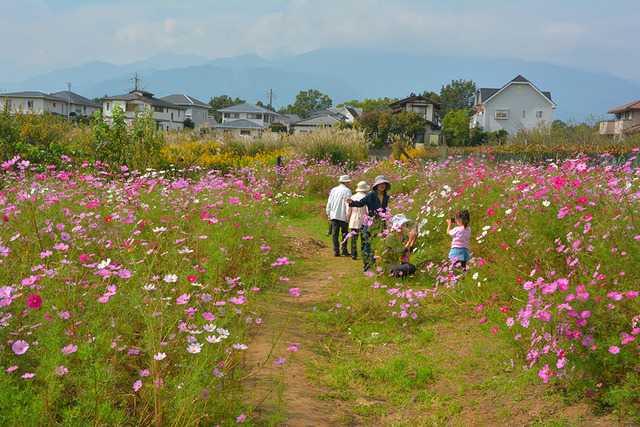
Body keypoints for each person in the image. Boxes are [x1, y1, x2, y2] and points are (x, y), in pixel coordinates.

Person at [345, 175, 390, 272]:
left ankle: (374, 265)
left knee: (378, 245)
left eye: (384, 184)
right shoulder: (371, 195)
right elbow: (361, 203)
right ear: (376, 185)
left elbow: (384, 210)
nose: (382, 186)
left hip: (381, 223)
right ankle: (367, 266)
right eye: (380, 184)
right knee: (368, 245)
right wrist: (351, 202)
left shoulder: (386, 196)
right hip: (371, 223)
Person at [326, 175, 353, 256]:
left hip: (334, 214)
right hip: (343, 214)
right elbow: (348, 204)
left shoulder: (334, 189)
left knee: (335, 233)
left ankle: (336, 250)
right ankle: (344, 249)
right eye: (348, 182)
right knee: (344, 233)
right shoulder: (347, 191)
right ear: (345, 182)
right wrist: (348, 215)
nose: (349, 183)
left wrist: (329, 214)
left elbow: (329, 202)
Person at [346, 181, 369, 260]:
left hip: (354, 217)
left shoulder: (352, 197)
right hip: (363, 218)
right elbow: (367, 210)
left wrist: (348, 218)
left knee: (354, 237)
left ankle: (353, 254)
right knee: (363, 237)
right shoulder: (366, 197)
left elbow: (348, 210)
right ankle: (363, 252)